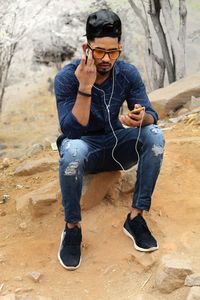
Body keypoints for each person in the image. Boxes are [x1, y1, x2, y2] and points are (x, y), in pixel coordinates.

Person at [54, 9, 164, 270]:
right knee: (70, 152)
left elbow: (152, 114)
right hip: (84, 150)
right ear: (87, 47)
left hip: (117, 146)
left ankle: (135, 217)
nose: (105, 59)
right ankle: (72, 228)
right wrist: (85, 87)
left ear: (120, 49)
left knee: (155, 135)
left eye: (112, 52)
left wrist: (142, 118)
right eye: (99, 51)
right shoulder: (67, 78)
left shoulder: (127, 73)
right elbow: (71, 132)